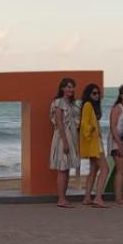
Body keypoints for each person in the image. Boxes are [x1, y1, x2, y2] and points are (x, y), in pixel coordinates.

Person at [49, 77, 80, 208]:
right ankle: (61, 199)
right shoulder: (59, 102)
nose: (70, 89)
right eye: (68, 87)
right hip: (63, 137)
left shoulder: (73, 104)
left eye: (72, 87)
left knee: (67, 169)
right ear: (62, 88)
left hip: (72, 136)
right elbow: (59, 123)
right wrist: (65, 142)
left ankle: (64, 198)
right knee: (62, 168)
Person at [78, 83, 108, 207]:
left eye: (98, 93)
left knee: (94, 170)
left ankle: (87, 197)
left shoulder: (91, 106)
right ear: (88, 94)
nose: (97, 95)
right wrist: (91, 129)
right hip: (94, 143)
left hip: (94, 142)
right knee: (105, 169)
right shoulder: (88, 105)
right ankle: (98, 197)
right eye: (94, 93)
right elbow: (84, 124)